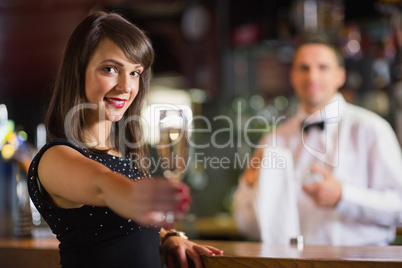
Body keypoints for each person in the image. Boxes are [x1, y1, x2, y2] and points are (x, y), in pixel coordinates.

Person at [27, 11, 222, 267]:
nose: (126, 86)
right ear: (78, 71)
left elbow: (120, 229)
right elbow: (104, 185)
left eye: (135, 73)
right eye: (110, 69)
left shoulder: (119, 156)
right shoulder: (55, 157)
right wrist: (137, 197)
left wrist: (167, 237)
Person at [234, 34, 402, 246]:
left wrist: (343, 196)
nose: (312, 76)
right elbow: (246, 226)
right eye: (303, 68)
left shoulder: (371, 129)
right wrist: (250, 186)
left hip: (364, 261)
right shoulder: (274, 139)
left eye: (323, 67)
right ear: (292, 76)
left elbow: (399, 208)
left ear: (340, 75)